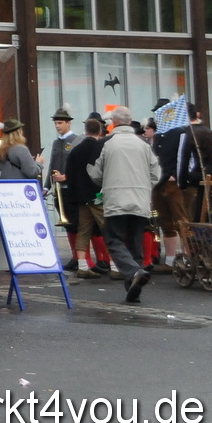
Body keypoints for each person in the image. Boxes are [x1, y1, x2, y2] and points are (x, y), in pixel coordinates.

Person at [90, 106, 162, 304]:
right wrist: (144, 188)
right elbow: (156, 174)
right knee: (135, 242)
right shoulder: (144, 145)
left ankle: (134, 272)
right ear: (130, 122)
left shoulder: (109, 144)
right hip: (139, 200)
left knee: (113, 239)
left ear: (113, 122)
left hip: (116, 199)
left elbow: (97, 176)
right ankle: (133, 288)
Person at [63, 118, 107, 278]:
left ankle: (82, 265)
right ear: (100, 131)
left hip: (81, 197)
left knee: (83, 230)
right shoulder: (102, 148)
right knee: (108, 229)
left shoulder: (76, 150)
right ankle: (116, 266)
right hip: (98, 195)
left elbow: (70, 175)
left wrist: (75, 196)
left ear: (86, 131)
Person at [44, 108, 83, 268]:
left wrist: (66, 177)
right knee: (67, 225)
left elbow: (80, 167)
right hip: (59, 190)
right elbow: (52, 165)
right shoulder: (56, 143)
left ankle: (81, 257)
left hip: (71, 188)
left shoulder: (76, 141)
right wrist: (46, 187)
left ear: (68, 123)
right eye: (55, 123)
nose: (57, 126)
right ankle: (75, 256)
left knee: (76, 224)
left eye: (60, 123)